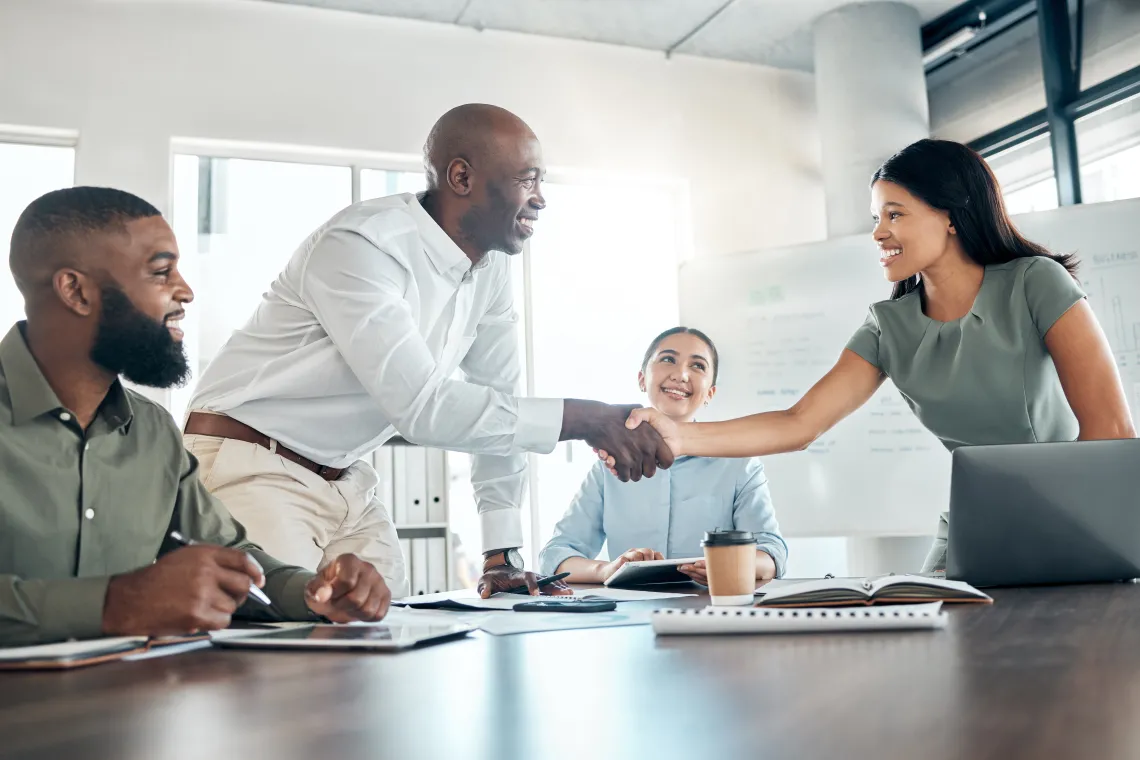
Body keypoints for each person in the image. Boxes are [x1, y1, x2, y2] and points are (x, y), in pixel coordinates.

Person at [183, 103, 672, 599]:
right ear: (461, 176)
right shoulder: (362, 245)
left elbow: (496, 397)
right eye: (527, 180)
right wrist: (587, 419)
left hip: (345, 482)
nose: (541, 199)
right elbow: (423, 407)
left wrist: (501, 553)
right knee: (280, 652)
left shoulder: (490, 270)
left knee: (388, 635)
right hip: (252, 463)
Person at [608, 139, 1136, 572]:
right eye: (876, 216)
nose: (879, 232)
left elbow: (1110, 429)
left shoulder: (1034, 283)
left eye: (895, 214)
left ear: (950, 216)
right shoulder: (889, 326)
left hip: (1070, 524)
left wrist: (1076, 535)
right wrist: (677, 435)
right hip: (979, 533)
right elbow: (799, 423)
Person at [0, 187, 390, 646]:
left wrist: (314, 591)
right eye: (161, 272)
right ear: (76, 291)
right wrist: (115, 604)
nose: (185, 291)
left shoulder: (152, 432)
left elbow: (231, 555)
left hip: (122, 705)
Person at [540, 327, 786, 585]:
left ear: (710, 394)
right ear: (642, 379)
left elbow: (772, 555)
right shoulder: (610, 465)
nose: (681, 375)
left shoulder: (740, 465)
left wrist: (725, 565)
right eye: (668, 359)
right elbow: (555, 555)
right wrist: (608, 570)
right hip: (628, 615)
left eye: (698, 366)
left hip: (710, 612)